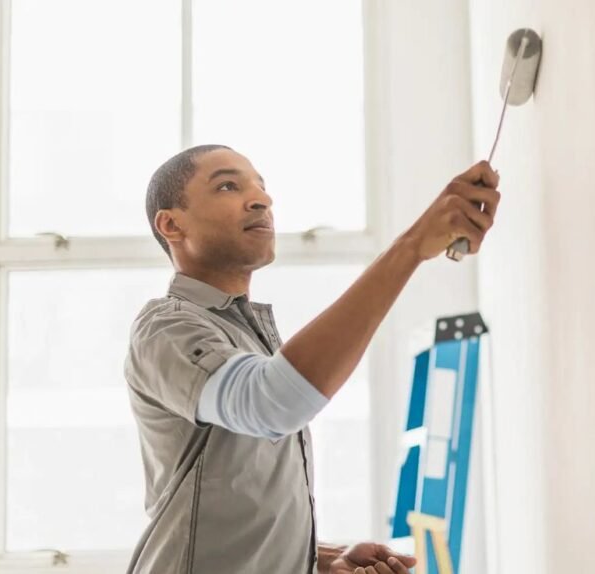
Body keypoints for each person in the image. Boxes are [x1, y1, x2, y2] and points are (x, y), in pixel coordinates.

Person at [124, 144, 501, 574]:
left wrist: (319, 558)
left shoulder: (246, 336)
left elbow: (235, 501)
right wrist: (412, 246)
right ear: (171, 224)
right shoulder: (167, 329)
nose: (261, 199)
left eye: (261, 188)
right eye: (228, 185)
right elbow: (272, 402)